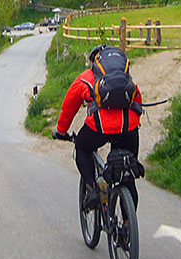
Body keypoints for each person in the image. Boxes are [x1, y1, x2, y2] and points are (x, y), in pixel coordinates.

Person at [53, 44, 142, 210]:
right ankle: (128, 226)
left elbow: (69, 107)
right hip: (128, 126)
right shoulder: (125, 76)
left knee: (82, 147)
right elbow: (137, 100)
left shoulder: (86, 78)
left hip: (99, 127)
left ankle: (92, 189)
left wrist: (61, 131)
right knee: (127, 175)